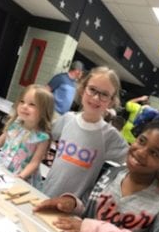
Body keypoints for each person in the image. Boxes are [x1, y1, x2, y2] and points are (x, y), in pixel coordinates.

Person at [43, 66, 129, 198]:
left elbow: (136, 161)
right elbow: (44, 135)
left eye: (104, 94)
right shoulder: (68, 119)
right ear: (83, 90)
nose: (95, 98)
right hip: (46, 193)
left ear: (111, 101)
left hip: (72, 208)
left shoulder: (110, 135)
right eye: (92, 89)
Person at [0, 84, 54, 188]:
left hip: (21, 175)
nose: (25, 106)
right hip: (2, 166)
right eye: (22, 102)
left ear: (44, 110)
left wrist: (21, 176)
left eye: (32, 104)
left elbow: (34, 163)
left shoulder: (42, 137)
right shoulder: (15, 124)